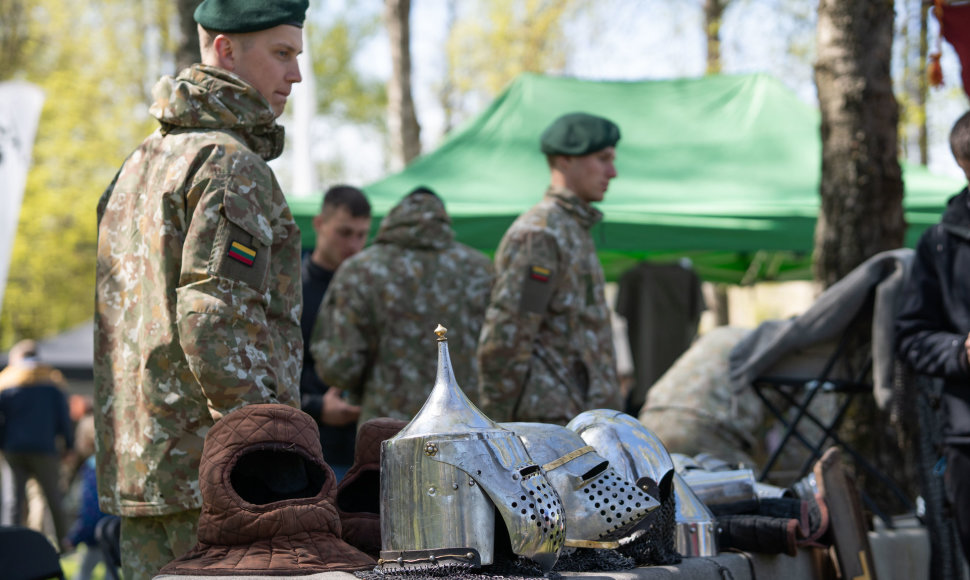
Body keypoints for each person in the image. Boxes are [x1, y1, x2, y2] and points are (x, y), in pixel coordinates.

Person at [93, 0, 307, 577]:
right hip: (217, 478)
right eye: (282, 53)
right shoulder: (228, 162)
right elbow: (216, 318)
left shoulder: (140, 161)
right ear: (225, 49)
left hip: (145, 469)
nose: (296, 75)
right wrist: (264, 454)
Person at [476, 112, 624, 424]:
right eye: (603, 159)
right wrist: (496, 427)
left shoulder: (572, 230)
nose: (613, 172)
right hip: (550, 426)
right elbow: (508, 336)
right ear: (565, 160)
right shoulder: (541, 234)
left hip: (581, 420)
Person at [310, 186, 494, 425]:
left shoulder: (361, 270)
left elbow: (340, 369)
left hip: (387, 432)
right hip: (463, 429)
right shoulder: (481, 270)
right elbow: (501, 355)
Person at [895, 109, 970, 567]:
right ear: (964, 164)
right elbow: (911, 335)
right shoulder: (939, 243)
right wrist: (961, 352)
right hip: (967, 438)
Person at [301, 185, 371, 480]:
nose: (354, 245)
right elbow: (269, 370)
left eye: (361, 234)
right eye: (344, 233)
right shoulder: (290, 288)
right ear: (319, 224)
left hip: (365, 451)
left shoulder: (372, 289)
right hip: (307, 449)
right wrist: (316, 406)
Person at [0, 339, 74, 548]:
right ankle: (64, 543)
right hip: (44, 449)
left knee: (13, 500)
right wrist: (68, 445)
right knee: (53, 497)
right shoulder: (52, 382)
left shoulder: (6, 382)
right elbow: (63, 418)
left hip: (13, 449)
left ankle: (8, 544)